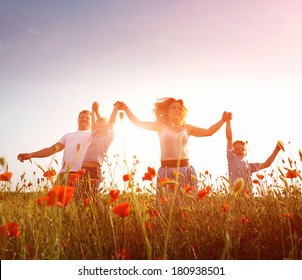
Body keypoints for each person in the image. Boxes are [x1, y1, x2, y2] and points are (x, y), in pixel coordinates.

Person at [119, 97, 232, 199]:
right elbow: (138, 123)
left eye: (179, 108)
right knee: (167, 206)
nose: (177, 110)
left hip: (186, 171)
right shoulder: (160, 127)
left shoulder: (187, 128)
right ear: (167, 112)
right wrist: (126, 109)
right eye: (173, 108)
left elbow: (209, 132)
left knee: (187, 203)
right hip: (167, 171)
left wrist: (223, 120)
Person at [17, 105, 94, 185]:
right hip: (63, 174)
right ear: (77, 120)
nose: (84, 119)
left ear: (92, 121)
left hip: (81, 173)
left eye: (87, 118)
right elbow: (51, 150)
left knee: (79, 197)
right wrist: (31, 155)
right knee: (57, 197)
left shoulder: (93, 135)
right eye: (82, 117)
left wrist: (96, 111)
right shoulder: (68, 136)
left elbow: (105, 129)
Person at [226, 117, 284, 193]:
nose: (240, 150)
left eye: (242, 149)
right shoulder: (232, 158)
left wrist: (276, 150)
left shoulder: (249, 166)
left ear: (245, 153)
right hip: (235, 195)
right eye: (236, 149)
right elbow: (229, 138)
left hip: (248, 196)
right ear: (232, 151)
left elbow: (266, 164)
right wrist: (228, 121)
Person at [80, 101, 120, 196]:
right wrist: (93, 111)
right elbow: (94, 124)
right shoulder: (94, 135)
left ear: (107, 128)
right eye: (97, 126)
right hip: (83, 169)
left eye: (101, 126)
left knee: (92, 195)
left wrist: (115, 108)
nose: (98, 128)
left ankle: (102, 211)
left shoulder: (107, 138)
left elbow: (111, 122)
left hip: (94, 170)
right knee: (81, 195)